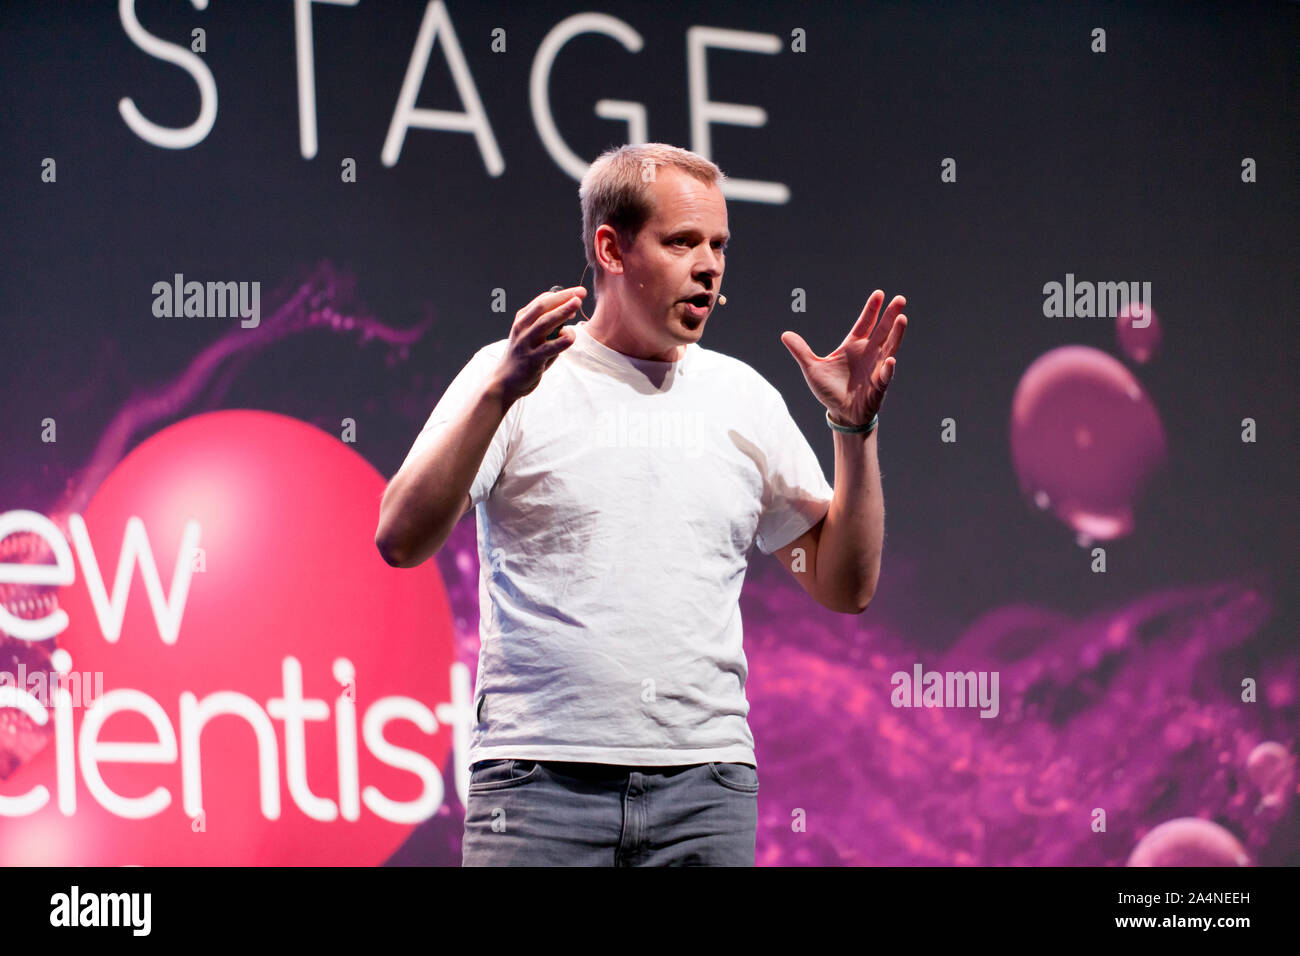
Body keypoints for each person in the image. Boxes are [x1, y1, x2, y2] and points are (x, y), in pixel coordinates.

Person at [374, 143, 907, 866]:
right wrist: (501, 390)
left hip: (706, 790)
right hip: (537, 786)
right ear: (610, 248)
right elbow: (399, 539)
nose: (709, 265)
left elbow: (846, 586)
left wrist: (853, 430)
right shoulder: (517, 378)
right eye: (682, 241)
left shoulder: (742, 396)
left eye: (719, 244)